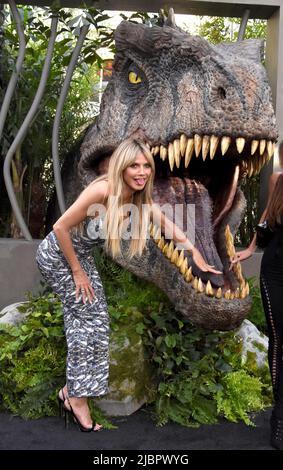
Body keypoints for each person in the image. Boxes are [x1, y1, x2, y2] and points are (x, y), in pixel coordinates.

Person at [36, 137, 221, 433]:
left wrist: (197, 256)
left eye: (146, 165)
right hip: (59, 256)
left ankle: (72, 392)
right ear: (122, 166)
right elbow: (60, 227)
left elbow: (168, 226)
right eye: (134, 165)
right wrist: (77, 272)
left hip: (80, 257)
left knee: (93, 320)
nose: (142, 171)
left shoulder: (137, 197)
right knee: (91, 321)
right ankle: (75, 398)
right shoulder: (103, 189)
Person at [231, 141, 283, 450]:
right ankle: (279, 417)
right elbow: (266, 218)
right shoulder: (279, 179)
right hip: (276, 270)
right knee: (279, 341)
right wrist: (251, 248)